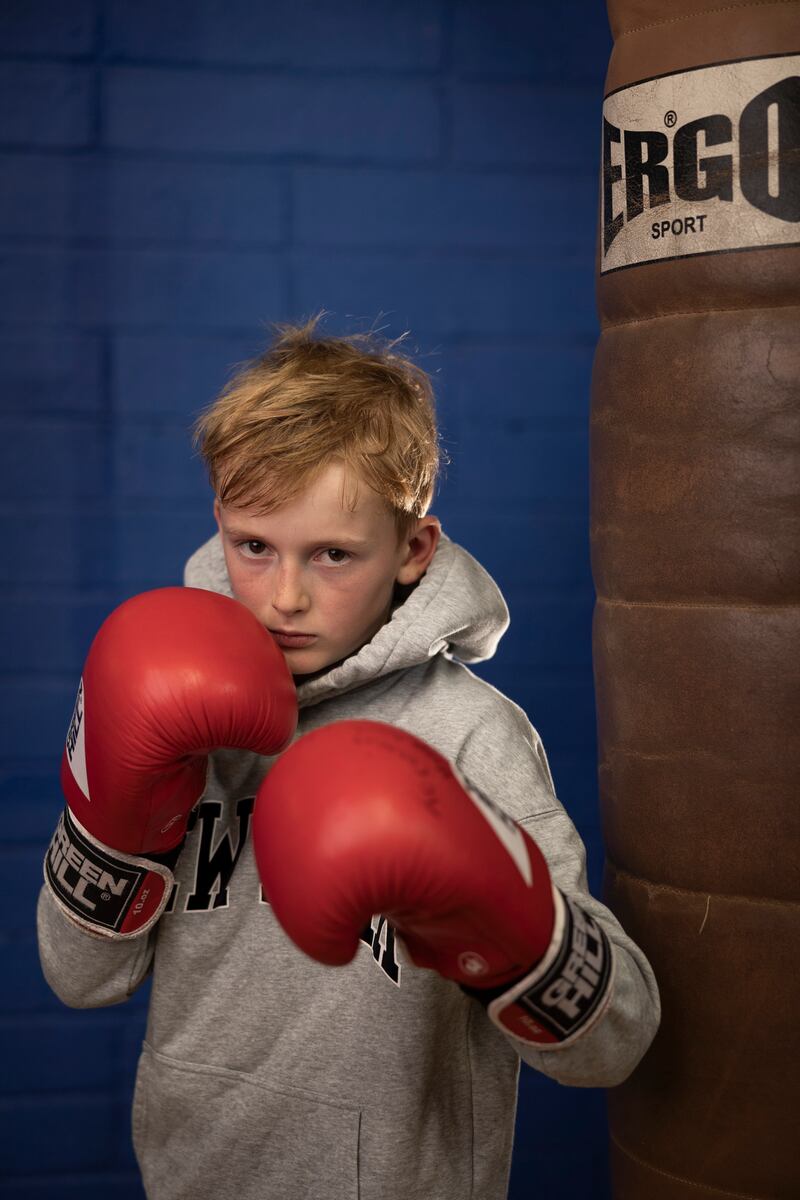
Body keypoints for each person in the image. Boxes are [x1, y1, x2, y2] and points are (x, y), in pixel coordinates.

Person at [38, 315, 660, 1200]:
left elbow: (614, 1045)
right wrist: (111, 819)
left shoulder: (470, 736)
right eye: (255, 547)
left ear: (413, 550)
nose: (285, 596)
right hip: (188, 1176)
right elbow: (81, 976)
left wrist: (509, 929)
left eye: (333, 554)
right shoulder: (166, 698)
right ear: (219, 522)